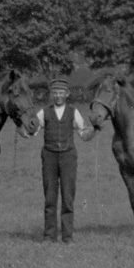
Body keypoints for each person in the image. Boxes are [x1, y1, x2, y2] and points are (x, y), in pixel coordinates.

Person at [35, 77, 96, 243]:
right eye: (55, 93)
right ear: (51, 94)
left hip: (68, 156)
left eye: (61, 93)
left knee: (68, 197)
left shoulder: (73, 112)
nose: (58, 96)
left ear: (67, 94)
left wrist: (94, 129)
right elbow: (32, 130)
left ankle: (67, 236)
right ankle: (49, 236)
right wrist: (21, 128)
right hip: (49, 156)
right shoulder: (44, 112)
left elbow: (84, 134)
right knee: (50, 197)